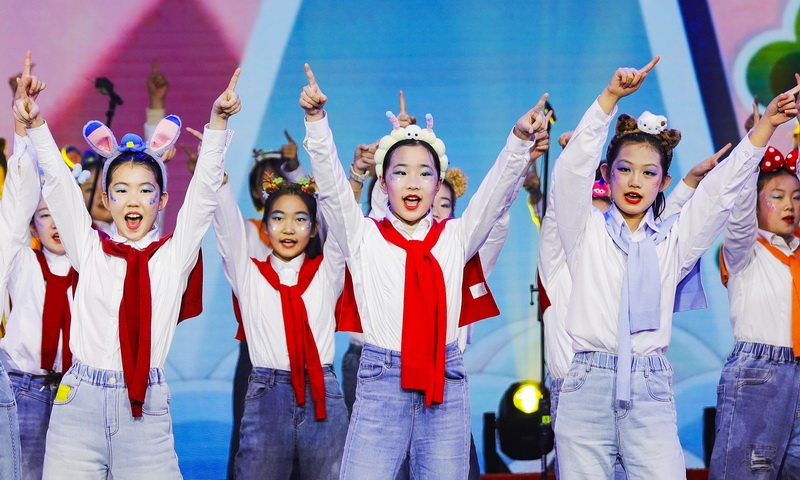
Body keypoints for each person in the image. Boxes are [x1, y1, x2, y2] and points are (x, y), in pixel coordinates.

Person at [551, 56, 799, 478]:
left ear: (663, 182)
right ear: (607, 174)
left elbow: (719, 192)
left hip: (649, 385)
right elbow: (570, 172)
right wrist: (609, 97)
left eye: (648, 173)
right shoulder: (584, 229)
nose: (635, 181)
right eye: (625, 170)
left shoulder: (672, 241)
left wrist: (766, 127)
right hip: (587, 381)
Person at [301, 62, 548, 478]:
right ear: (383, 184)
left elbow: (494, 197)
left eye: (424, 173)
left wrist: (518, 140)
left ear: (438, 185)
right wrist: (316, 120)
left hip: (444, 380)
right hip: (381, 379)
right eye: (400, 172)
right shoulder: (363, 236)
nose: (412, 182)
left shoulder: (455, 236)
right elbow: (331, 190)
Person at [16, 49, 242, 477]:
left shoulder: (172, 255)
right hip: (78, 403)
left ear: (162, 200)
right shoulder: (91, 249)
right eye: (120, 190)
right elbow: (60, 188)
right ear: (106, 199)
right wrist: (37, 126)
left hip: (145, 410)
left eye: (145, 190)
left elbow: (202, 198)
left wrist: (217, 124)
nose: (132, 200)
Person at [711, 83, 800, 477]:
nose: (789, 205)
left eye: (796, 197)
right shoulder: (745, 250)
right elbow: (739, 205)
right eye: (777, 196)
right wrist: (760, 136)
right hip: (759, 374)